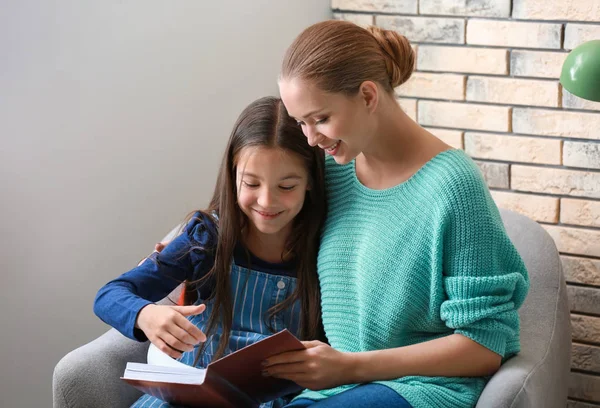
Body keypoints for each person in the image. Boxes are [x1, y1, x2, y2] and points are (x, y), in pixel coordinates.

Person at [256, 20, 530, 408]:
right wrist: (185, 254)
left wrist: (349, 367)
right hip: (334, 388)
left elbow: (485, 345)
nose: (311, 139)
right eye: (301, 122)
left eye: (320, 118)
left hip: (421, 389)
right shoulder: (332, 168)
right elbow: (264, 217)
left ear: (368, 95)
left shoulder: (453, 186)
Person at [93, 96, 327, 408]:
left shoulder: (328, 245)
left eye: (286, 187)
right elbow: (110, 295)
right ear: (232, 176)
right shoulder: (206, 238)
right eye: (251, 183)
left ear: (310, 181)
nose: (267, 202)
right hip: (187, 398)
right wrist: (146, 315)